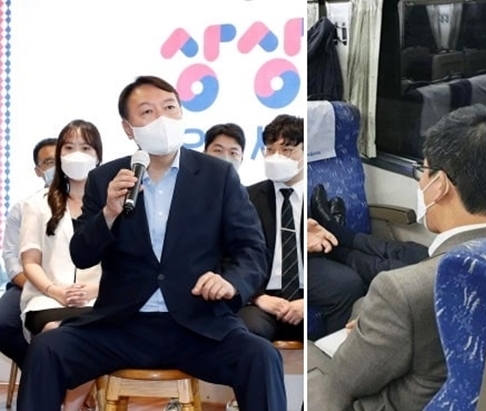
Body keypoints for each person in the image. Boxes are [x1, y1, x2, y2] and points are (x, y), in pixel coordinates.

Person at [16, 75, 286, 411]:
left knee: (261, 357)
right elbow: (82, 255)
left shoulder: (218, 175)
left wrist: (230, 282)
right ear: (129, 128)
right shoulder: (105, 179)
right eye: (147, 112)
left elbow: (251, 249)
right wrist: (109, 214)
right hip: (121, 325)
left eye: (169, 108)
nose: (161, 119)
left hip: (197, 325)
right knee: (47, 349)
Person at [308, 104, 486, 411]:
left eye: (421, 172)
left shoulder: (402, 291)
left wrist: (379, 324)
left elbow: (345, 380)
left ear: (439, 185)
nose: (419, 182)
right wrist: (378, 324)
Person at [20, 120, 103, 411]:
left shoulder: (113, 203)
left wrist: (92, 289)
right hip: (47, 299)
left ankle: (72, 405)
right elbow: (29, 261)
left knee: (96, 333)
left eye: (85, 147)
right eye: (69, 147)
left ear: (98, 156)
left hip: (98, 299)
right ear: (58, 155)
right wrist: (55, 290)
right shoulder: (37, 203)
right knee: (55, 332)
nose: (76, 154)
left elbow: (127, 264)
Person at [240, 114, 305, 342]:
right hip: (263, 297)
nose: (276, 157)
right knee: (248, 331)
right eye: (270, 150)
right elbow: (233, 255)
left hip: (306, 293)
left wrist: (306, 302)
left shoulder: (317, 194)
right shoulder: (247, 198)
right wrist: (257, 297)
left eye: (286, 150)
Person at [0, 138, 56, 369]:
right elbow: (12, 260)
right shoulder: (24, 207)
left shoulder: (92, 203)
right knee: (3, 323)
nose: (57, 167)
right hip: (27, 284)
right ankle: (43, 374)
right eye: (49, 162)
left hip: (76, 285)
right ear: (38, 170)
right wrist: (42, 286)